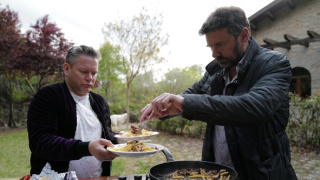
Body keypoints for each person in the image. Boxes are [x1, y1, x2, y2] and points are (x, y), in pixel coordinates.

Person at [140, 6, 297, 180]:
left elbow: (255, 107)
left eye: (220, 44)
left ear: (244, 35)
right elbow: (191, 94)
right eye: (210, 46)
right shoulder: (216, 69)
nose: (214, 53)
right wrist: (161, 107)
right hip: (218, 173)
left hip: (262, 173)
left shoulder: (274, 64)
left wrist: (185, 103)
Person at [27, 45, 118, 178]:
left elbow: (106, 136)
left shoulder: (100, 102)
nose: (90, 78)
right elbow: (41, 142)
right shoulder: (47, 97)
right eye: (84, 72)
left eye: (94, 73)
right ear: (67, 69)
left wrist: (123, 139)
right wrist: (87, 148)